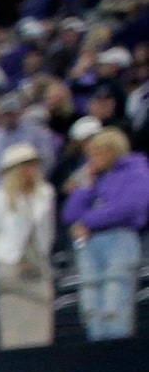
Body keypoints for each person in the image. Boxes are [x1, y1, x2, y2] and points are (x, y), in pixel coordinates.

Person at [59, 123, 148, 340]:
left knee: (115, 302)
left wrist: (87, 221)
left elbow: (128, 208)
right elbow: (69, 214)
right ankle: (96, 346)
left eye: (99, 152)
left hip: (120, 241)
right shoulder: (92, 175)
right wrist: (85, 186)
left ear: (113, 150)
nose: (94, 157)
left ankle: (115, 351)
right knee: (90, 304)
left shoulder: (137, 171)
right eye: (91, 153)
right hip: (90, 245)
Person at [0, 143, 59, 350]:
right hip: (10, 266)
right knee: (13, 328)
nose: (30, 170)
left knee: (41, 325)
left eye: (32, 165)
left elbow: (49, 229)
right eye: (25, 166)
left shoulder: (45, 193)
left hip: (38, 264)